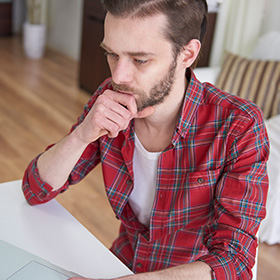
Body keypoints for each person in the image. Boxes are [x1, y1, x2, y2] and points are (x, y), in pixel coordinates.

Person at [22, 0, 269, 279]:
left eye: (140, 60)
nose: (118, 76)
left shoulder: (239, 126)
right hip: (123, 265)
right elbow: (35, 190)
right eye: (112, 54)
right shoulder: (111, 98)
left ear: (187, 54)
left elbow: (234, 261)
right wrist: (82, 134)